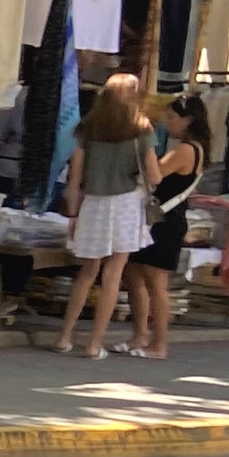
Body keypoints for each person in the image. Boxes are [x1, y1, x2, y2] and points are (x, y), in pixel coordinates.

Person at [55, 72, 160, 359]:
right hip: (126, 203)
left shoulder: (87, 128)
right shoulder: (141, 130)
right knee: (113, 274)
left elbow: (74, 178)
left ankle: (64, 337)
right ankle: (94, 343)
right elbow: (154, 175)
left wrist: (73, 213)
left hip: (93, 203)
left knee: (87, 272)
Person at [122, 93, 211, 359]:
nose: (168, 122)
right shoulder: (188, 147)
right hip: (157, 219)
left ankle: (158, 343)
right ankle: (139, 336)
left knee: (156, 282)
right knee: (134, 275)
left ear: (188, 120)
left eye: (173, 117)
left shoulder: (187, 150)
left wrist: (146, 146)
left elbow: (155, 174)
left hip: (166, 221)